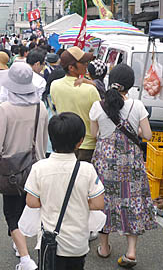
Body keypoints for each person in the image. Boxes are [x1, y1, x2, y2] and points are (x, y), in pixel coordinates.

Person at [0, 62, 48, 270]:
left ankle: (26, 259)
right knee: (29, 207)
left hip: (11, 168)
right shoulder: (41, 106)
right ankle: (20, 243)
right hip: (36, 166)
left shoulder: (6, 108)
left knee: (11, 213)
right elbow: (44, 139)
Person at [89, 64, 155, 268]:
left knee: (103, 200)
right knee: (131, 200)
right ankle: (131, 251)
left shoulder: (98, 106)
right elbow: (148, 135)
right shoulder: (138, 106)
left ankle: (104, 247)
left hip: (104, 161)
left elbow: (94, 134)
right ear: (131, 84)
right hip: (131, 161)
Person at [25, 112, 105, 270]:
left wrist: (49, 201)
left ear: (51, 138)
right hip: (77, 244)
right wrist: (80, 202)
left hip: (50, 242)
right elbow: (98, 203)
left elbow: (31, 202)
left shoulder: (39, 168)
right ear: (80, 142)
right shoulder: (87, 170)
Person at [50, 46, 100, 162]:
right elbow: (99, 116)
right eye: (83, 62)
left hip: (64, 145)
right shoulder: (90, 90)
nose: (86, 64)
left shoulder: (55, 86)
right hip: (87, 146)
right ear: (71, 67)